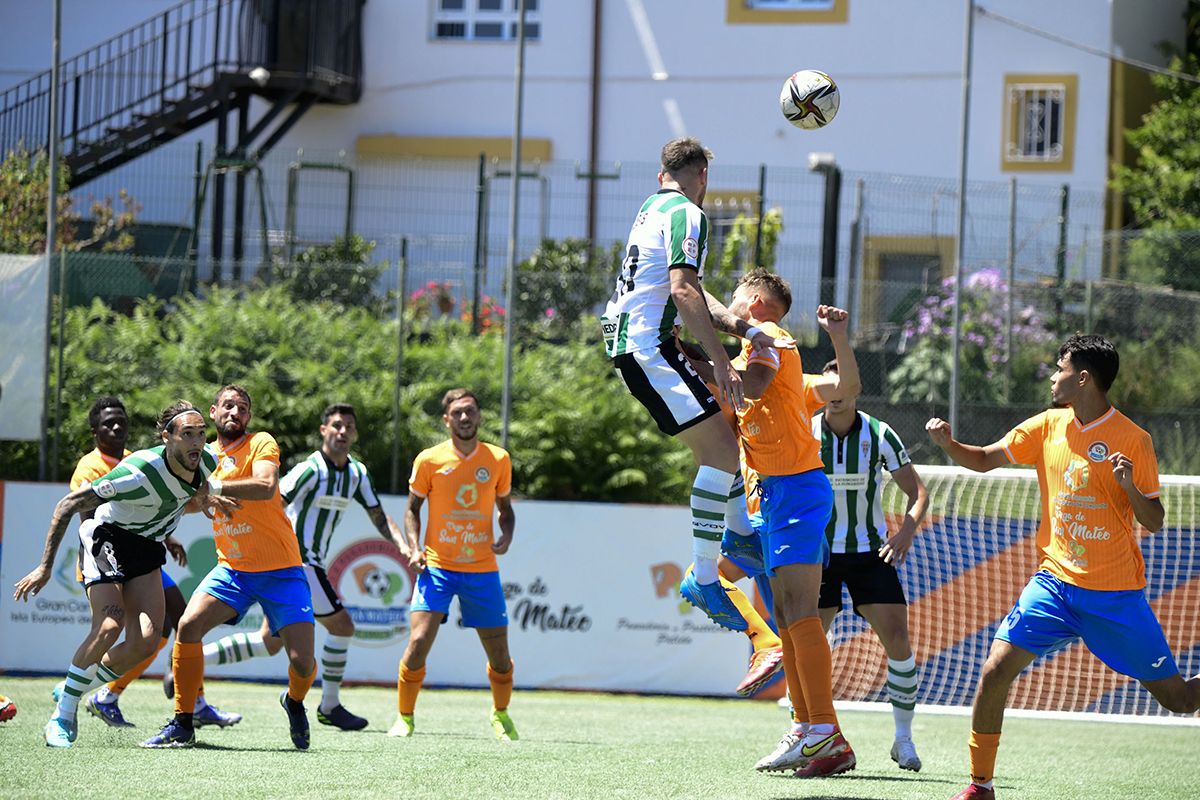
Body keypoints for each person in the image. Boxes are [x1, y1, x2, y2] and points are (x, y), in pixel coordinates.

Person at [926, 334, 1200, 800]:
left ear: (1084, 378)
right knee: (994, 671)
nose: (1053, 376)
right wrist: (948, 443)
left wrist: (1129, 485)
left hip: (1114, 597)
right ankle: (980, 786)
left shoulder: (1134, 440)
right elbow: (986, 460)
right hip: (1053, 585)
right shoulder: (1047, 425)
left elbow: (1154, 520)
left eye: (1060, 367)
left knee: (1179, 701)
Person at [602, 136, 793, 629]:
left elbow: (691, 291)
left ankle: (741, 533)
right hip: (649, 347)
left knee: (722, 444)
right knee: (722, 456)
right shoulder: (689, 214)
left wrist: (743, 327)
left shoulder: (652, 208)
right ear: (702, 175)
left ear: (661, 174)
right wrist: (723, 362)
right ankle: (705, 578)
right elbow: (683, 290)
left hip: (638, 344)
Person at [683, 271, 862, 776]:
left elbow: (755, 383)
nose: (733, 307)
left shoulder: (773, 339)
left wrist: (695, 340)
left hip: (796, 490)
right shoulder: (746, 354)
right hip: (768, 497)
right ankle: (808, 729)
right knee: (786, 616)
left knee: (800, 613)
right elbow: (734, 379)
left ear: (754, 303)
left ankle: (824, 730)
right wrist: (684, 354)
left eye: (737, 299)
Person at [13, 400, 220, 748]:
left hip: (147, 545)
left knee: (145, 643)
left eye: (201, 434)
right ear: (166, 437)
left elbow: (190, 494)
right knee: (110, 625)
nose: (197, 442)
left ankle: (72, 686)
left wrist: (209, 498)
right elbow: (68, 505)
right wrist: (46, 566)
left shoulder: (206, 462)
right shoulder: (137, 470)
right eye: (187, 434)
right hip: (107, 536)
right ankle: (62, 715)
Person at [196, 402, 409, 731]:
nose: (342, 431)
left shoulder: (357, 473)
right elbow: (272, 499)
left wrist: (404, 546)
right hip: (298, 563)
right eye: (336, 425)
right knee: (343, 627)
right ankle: (330, 704)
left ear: (354, 434)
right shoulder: (311, 469)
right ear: (324, 431)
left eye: (348, 426)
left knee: (270, 642)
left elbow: (378, 515)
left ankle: (192, 661)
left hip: (306, 565)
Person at [143, 385, 318, 750]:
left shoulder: (261, 443)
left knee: (302, 664)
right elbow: (190, 500)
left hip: (282, 570)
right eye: (227, 405)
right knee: (188, 627)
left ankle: (295, 701)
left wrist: (215, 487)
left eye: (242, 407)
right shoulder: (202, 455)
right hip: (233, 570)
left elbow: (268, 486)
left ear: (248, 417)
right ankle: (183, 723)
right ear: (213, 412)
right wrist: (189, 503)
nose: (234, 412)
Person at [62, 396, 240, 730]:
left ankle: (103, 692)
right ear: (94, 431)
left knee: (167, 626)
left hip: (144, 550)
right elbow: (87, 516)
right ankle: (97, 693)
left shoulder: (141, 459)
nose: (116, 428)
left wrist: (171, 534)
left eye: (122, 422)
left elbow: (159, 502)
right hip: (106, 554)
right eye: (107, 423)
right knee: (161, 621)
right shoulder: (92, 467)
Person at [812, 359, 929, 774]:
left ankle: (904, 739)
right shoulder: (805, 430)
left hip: (870, 553)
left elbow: (918, 492)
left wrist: (906, 532)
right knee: (807, 645)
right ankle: (809, 733)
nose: (837, 390)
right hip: (816, 554)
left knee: (898, 638)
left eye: (845, 383)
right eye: (830, 383)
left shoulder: (880, 434)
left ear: (857, 389)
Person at [389, 389, 518, 741]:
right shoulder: (429, 460)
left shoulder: (498, 458)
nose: (464, 418)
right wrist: (415, 547)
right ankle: (405, 718)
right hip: (437, 567)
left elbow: (505, 511)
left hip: (482, 569)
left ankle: (501, 714)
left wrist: (506, 536)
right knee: (417, 642)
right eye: (457, 413)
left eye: (470, 412)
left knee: (501, 656)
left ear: (479, 416)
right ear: (446, 419)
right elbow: (412, 510)